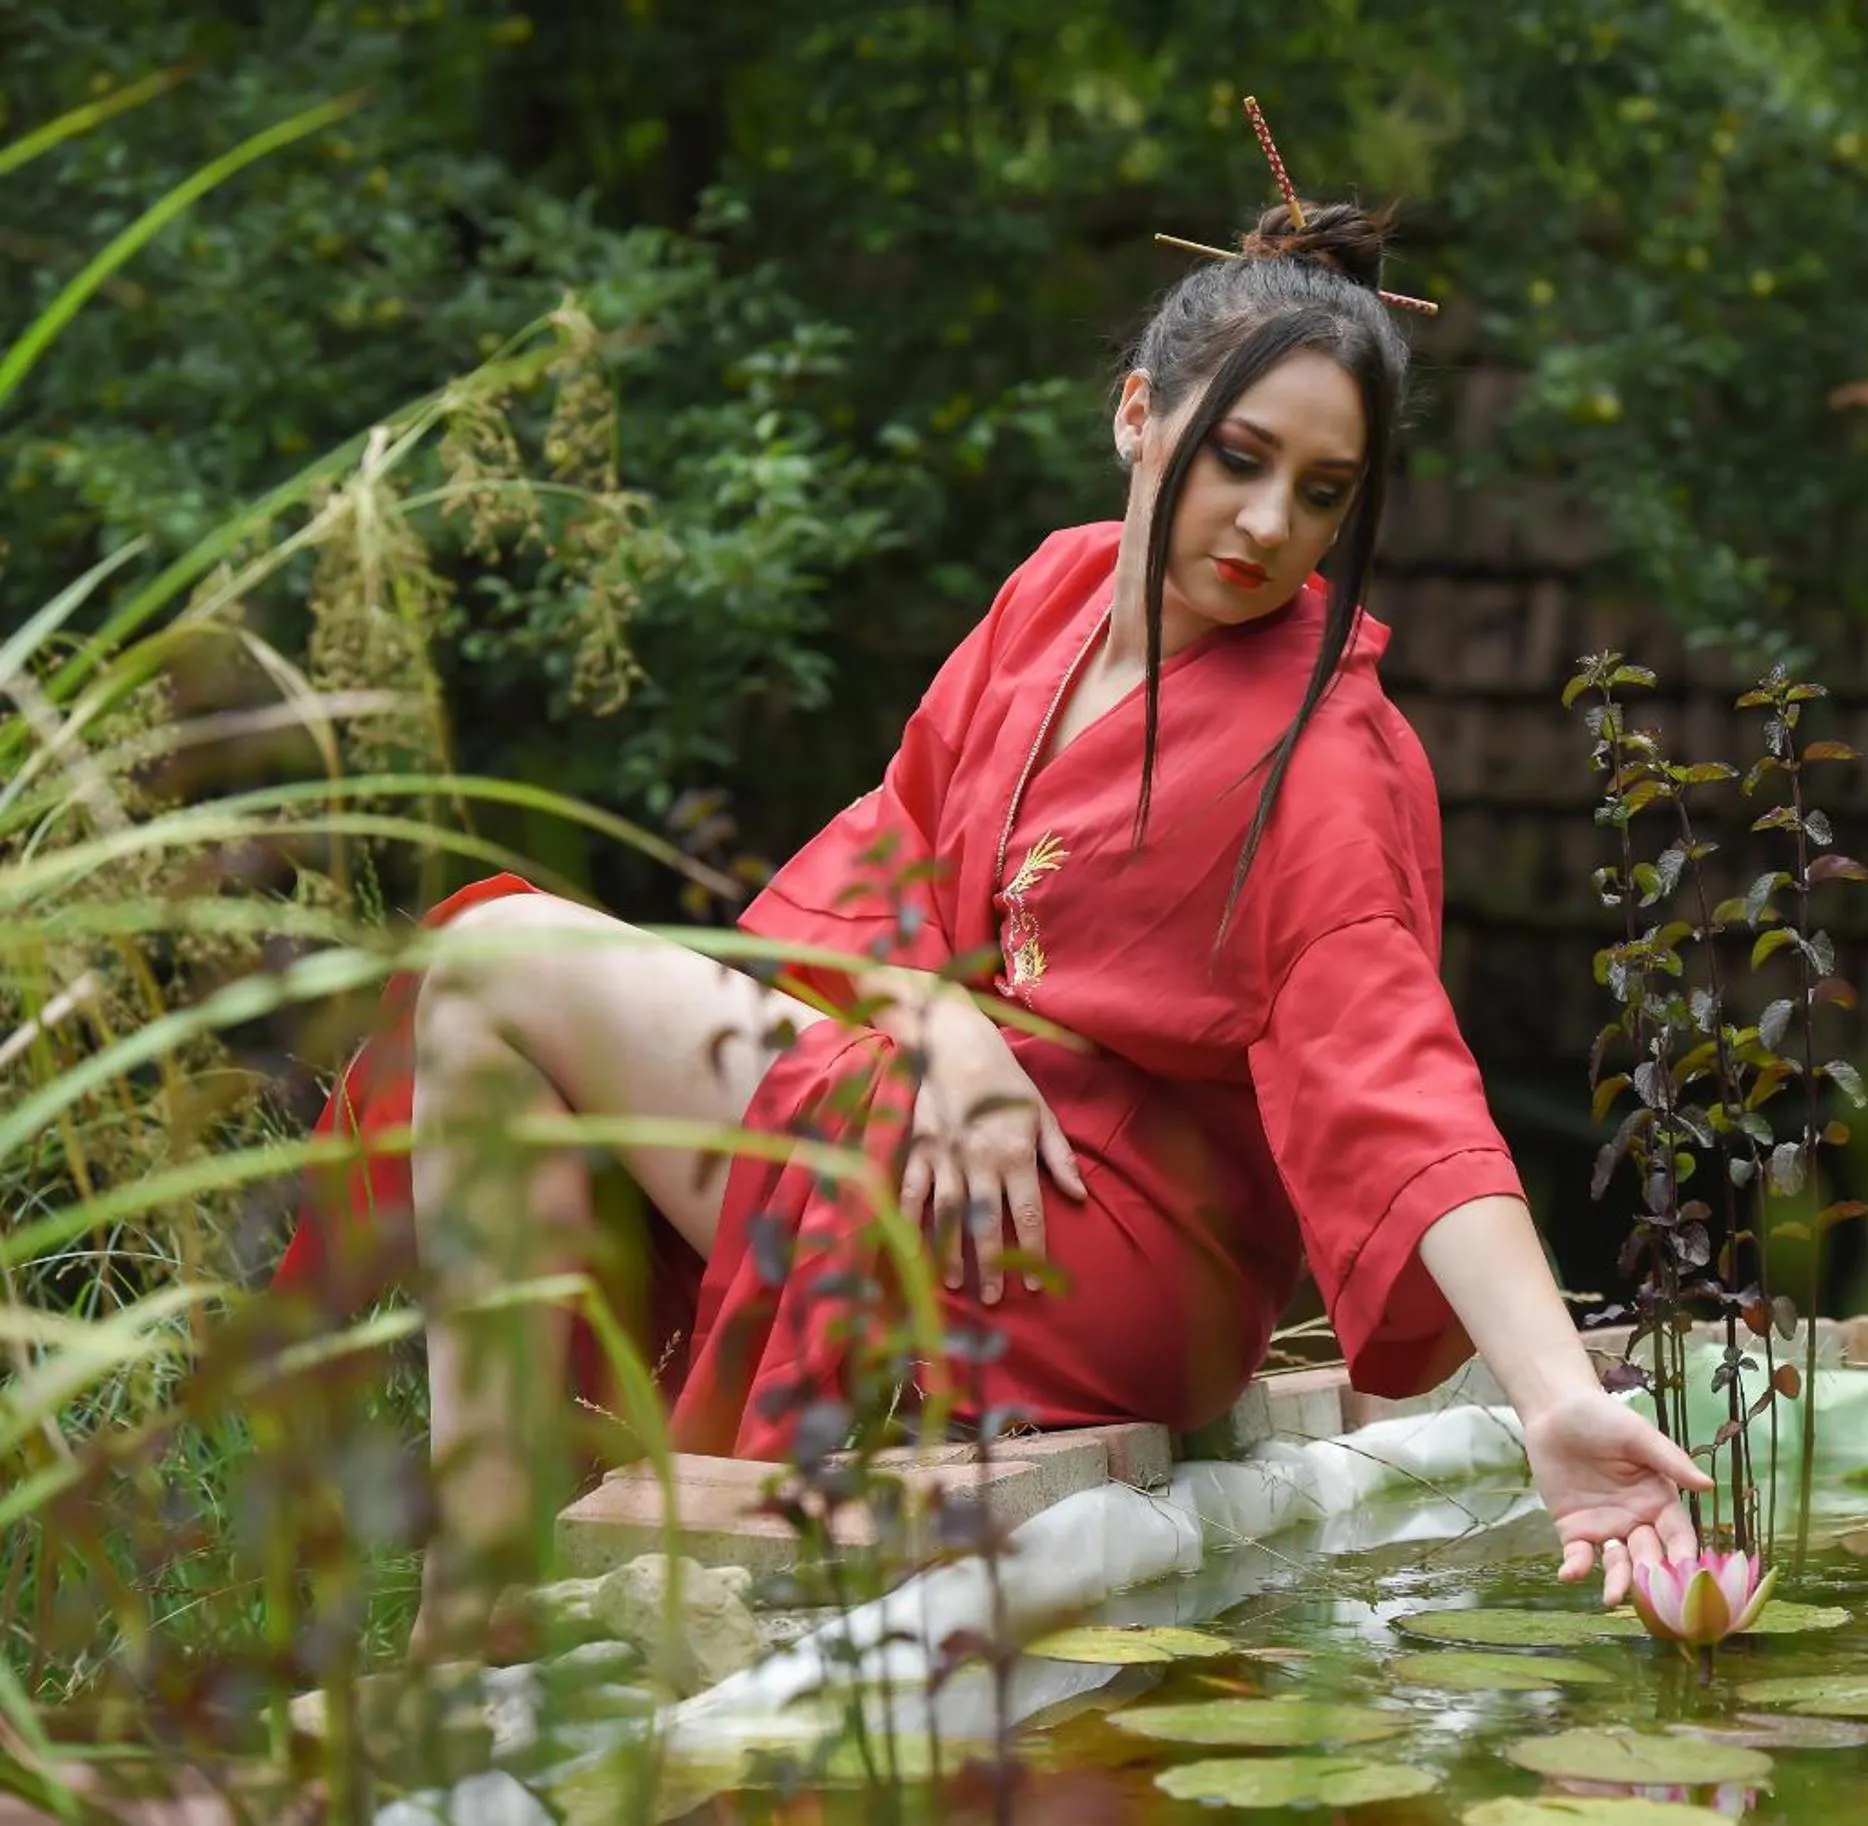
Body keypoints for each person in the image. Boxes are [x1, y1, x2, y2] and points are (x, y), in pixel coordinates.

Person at [275, 175, 1711, 1659]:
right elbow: (879, 864)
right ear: (1137, 416)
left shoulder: (1323, 753)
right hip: (953, 1131)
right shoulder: (1056, 592)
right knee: (492, 1022)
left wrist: (1550, 1394)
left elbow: (1394, 1077)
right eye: (1240, 458)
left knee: (490, 959)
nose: (1273, 523)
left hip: (1090, 1239)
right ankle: (483, 1605)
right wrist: (938, 1015)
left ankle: (469, 1619)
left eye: (1326, 493)